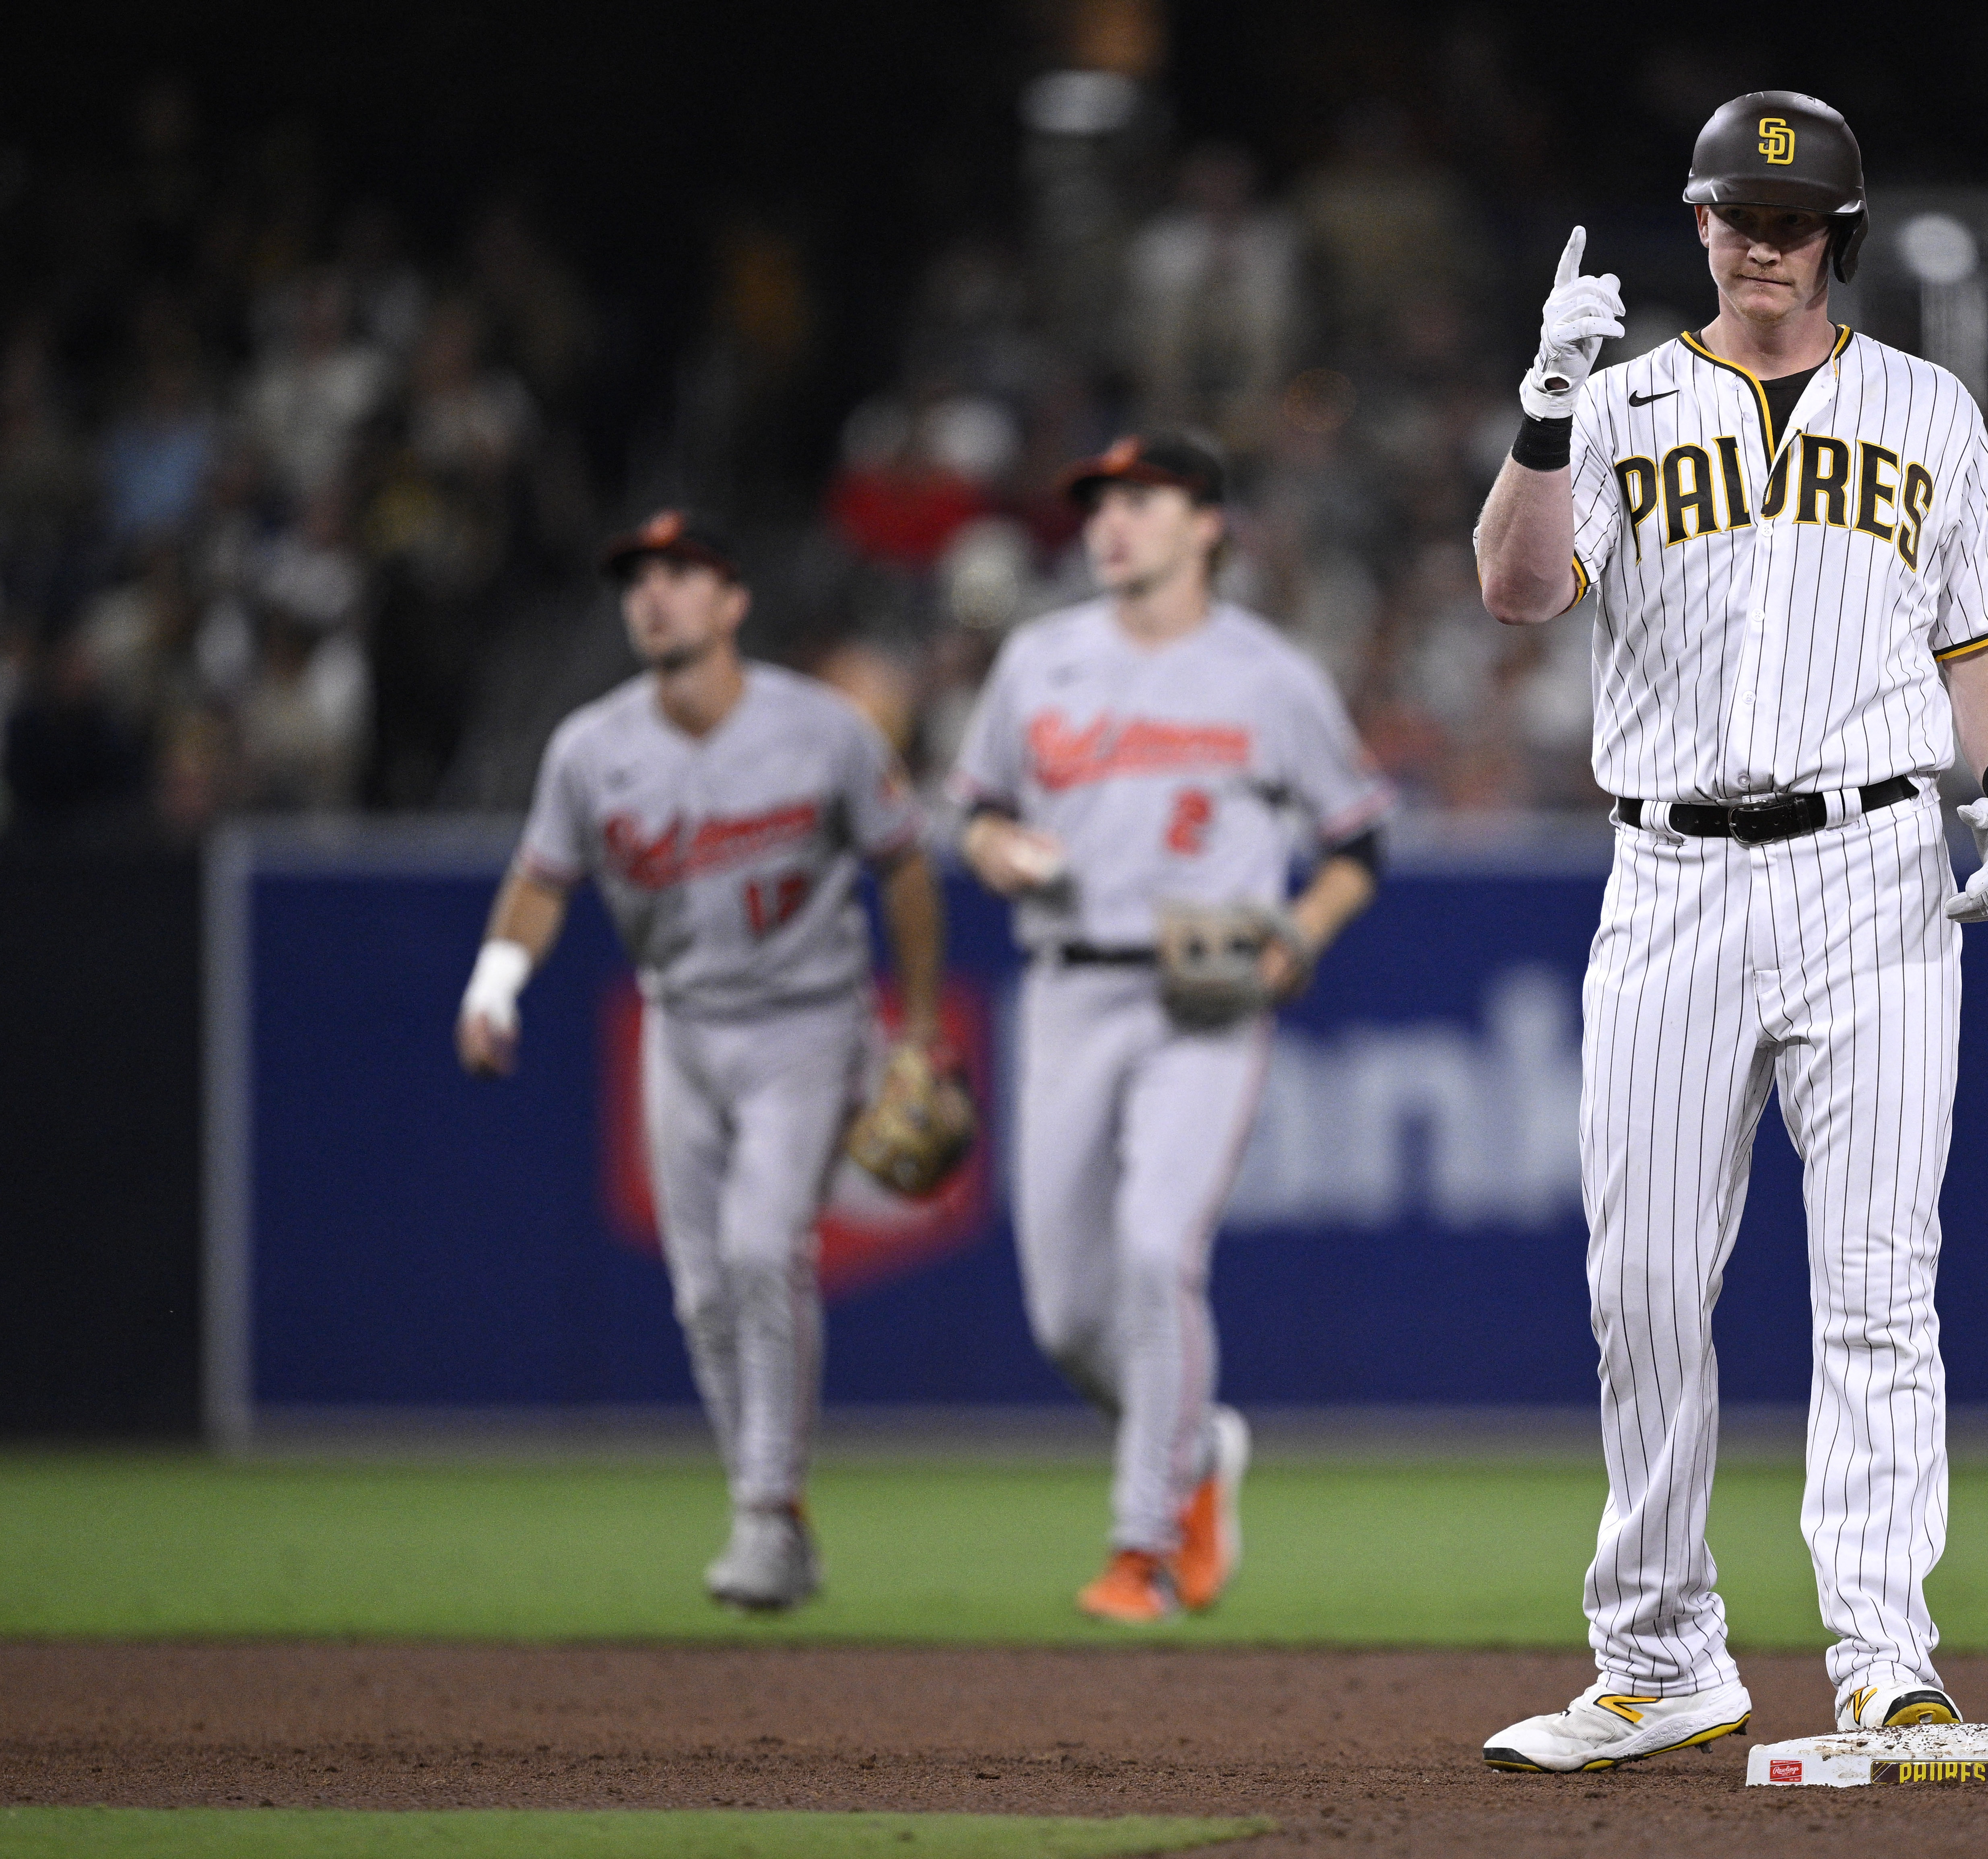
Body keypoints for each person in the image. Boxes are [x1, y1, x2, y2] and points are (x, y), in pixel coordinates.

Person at [1470, 92, 1988, 1770]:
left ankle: (1882, 1652)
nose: (1760, 241)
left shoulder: (1926, 410)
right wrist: (1542, 409)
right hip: (1666, 875)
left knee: (1877, 1282)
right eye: (1735, 214)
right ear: (1699, 221)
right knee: (1642, 1283)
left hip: (1869, 868)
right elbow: (1515, 590)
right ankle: (1657, 1660)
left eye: (1791, 221)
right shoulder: (1626, 399)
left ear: (1836, 236)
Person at [454, 509, 947, 1612]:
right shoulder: (590, 745)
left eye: (681, 575)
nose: (655, 595)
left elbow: (905, 869)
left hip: (810, 1019)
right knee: (700, 1293)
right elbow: (542, 877)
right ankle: (770, 1508)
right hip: (679, 1026)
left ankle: (766, 1516)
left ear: (733, 602)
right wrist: (493, 984)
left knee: (763, 1247)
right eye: (639, 578)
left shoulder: (823, 729)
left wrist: (914, 1030)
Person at [946, 434, 1390, 1623]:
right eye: (1099, 502)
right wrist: (995, 848)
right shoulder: (1040, 660)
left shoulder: (1267, 674)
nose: (1112, 522)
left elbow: (1356, 845)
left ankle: (1141, 1542)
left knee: (1156, 1248)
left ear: (1205, 525)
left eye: (1141, 500)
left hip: (1204, 994)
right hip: (1065, 987)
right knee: (1064, 1318)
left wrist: (1297, 933)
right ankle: (1197, 1449)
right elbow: (975, 810)